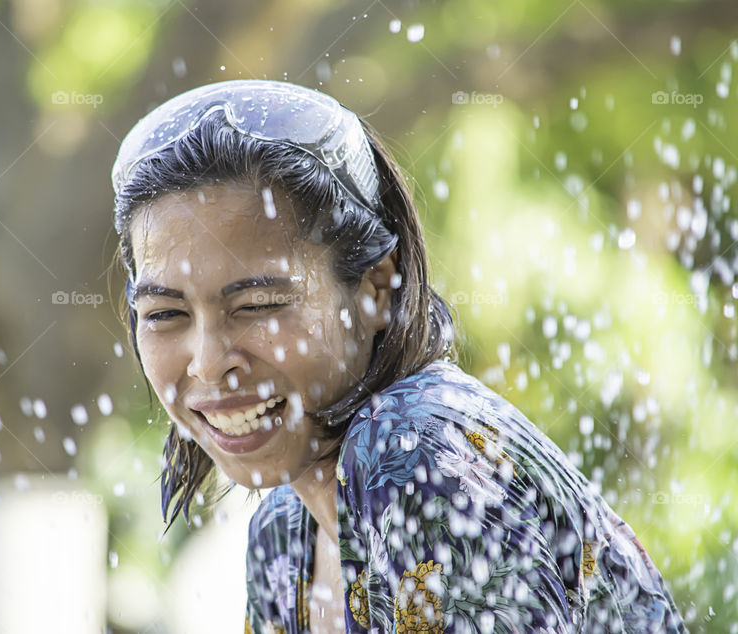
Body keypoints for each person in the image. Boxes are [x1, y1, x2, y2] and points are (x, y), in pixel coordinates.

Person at [110, 80, 687, 633]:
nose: (209, 365)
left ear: (373, 290)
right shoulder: (282, 535)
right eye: (165, 314)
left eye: (258, 305)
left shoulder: (416, 449)